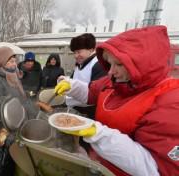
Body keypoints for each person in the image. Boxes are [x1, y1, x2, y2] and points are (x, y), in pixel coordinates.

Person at [54, 25, 179, 175]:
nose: (111, 71)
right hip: (100, 163)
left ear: (142, 64)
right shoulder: (115, 81)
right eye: (110, 63)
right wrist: (71, 85)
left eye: (119, 64)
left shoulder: (169, 103)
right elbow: (91, 92)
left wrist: (98, 134)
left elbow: (155, 169)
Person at [67, 33, 106, 118]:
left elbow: (97, 95)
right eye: (74, 52)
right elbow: (72, 82)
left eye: (79, 52)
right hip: (76, 110)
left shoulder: (98, 65)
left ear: (91, 50)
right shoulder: (79, 64)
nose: (76, 56)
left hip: (89, 114)